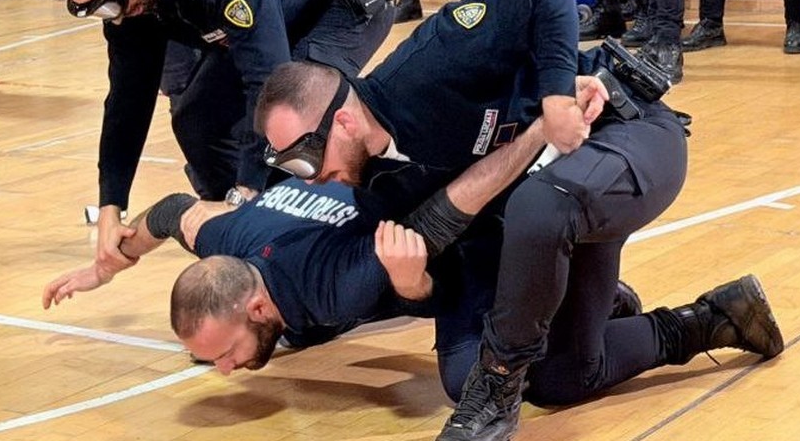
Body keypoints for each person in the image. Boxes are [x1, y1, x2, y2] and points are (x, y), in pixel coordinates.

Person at [256, 0, 782, 441]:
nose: (312, 177)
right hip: (546, 215)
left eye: (305, 158)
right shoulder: (374, 189)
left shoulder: (429, 62)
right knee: (547, 377)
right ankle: (715, 318)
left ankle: (499, 388)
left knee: (539, 204)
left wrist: (555, 96)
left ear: (343, 121)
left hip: (622, 132)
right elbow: (445, 277)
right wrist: (417, 287)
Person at [43, 118, 559, 399]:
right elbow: (172, 211)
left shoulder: (334, 290)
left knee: (470, 382)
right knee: (299, 330)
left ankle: (568, 297)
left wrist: (539, 134)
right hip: (355, 238)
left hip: (468, 235)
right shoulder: (223, 237)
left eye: (226, 352)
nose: (223, 370)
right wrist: (105, 266)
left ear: (257, 307)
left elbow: (445, 216)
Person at [46, 0, 396, 284]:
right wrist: (111, 207)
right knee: (197, 119)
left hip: (340, 0)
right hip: (277, 12)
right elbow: (126, 103)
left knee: (296, 121)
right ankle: (247, 242)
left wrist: (244, 192)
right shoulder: (130, 1)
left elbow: (268, 80)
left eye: (110, 2)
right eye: (98, 10)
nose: (113, 15)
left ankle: (334, 247)